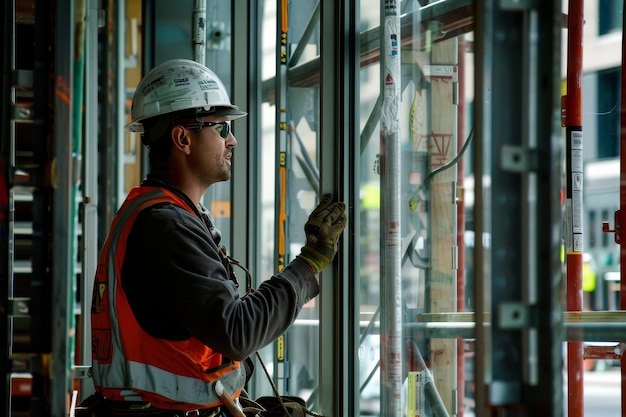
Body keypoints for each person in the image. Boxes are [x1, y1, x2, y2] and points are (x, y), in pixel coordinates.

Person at [89, 59, 347, 417]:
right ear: (182, 138)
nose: (232, 140)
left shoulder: (160, 212)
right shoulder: (167, 226)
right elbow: (236, 331)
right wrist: (310, 264)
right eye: (222, 127)